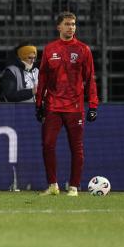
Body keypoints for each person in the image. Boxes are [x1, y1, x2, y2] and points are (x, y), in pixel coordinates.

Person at [35, 12, 98, 197]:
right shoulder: (49, 49)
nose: (71, 27)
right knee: (47, 145)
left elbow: (90, 79)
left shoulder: (83, 49)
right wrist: (39, 103)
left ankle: (74, 187)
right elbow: (43, 77)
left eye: (73, 24)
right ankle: (53, 185)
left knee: (76, 147)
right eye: (67, 24)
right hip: (53, 106)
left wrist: (93, 105)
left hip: (75, 107)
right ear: (59, 27)